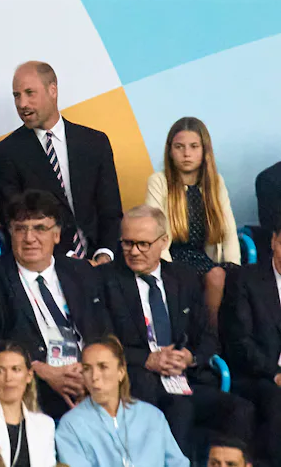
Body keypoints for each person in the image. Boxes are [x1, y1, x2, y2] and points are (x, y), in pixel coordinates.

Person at [101, 205, 254, 456]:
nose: (134, 251)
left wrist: (190, 357)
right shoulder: (105, 280)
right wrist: (148, 359)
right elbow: (103, 343)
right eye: (127, 243)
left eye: (143, 244)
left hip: (187, 378)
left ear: (163, 242)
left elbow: (207, 337)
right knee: (179, 408)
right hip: (141, 382)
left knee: (240, 410)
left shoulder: (184, 277)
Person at [0, 190, 111, 419]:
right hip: (33, 379)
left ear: (56, 234)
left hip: (89, 375)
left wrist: (91, 372)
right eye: (21, 229)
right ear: (10, 233)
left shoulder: (81, 272)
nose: (29, 238)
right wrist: (39, 370)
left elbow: (104, 331)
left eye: (40, 228)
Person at [0, 62, 121, 263]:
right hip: (48, 264)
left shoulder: (95, 143)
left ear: (53, 90)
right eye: (17, 95)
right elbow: (18, 222)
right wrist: (72, 263)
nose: (22, 103)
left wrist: (105, 254)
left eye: (30, 93)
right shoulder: (4, 154)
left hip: (102, 261)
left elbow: (110, 210)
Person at [145, 117, 240, 328]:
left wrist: (235, 268)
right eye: (179, 147)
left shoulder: (215, 182)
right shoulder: (159, 182)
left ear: (204, 150)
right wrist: (166, 269)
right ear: (170, 151)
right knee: (205, 278)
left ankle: (221, 340)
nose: (186, 154)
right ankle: (205, 337)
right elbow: (154, 231)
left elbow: (229, 231)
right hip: (171, 259)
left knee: (226, 277)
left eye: (193, 147)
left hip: (205, 258)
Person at [55, 336, 189, 467]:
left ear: (121, 371)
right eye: (87, 369)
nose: (94, 377)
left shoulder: (153, 417)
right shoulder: (71, 425)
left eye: (103, 367)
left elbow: (178, 463)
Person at [220, 214, 281, 466]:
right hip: (259, 375)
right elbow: (239, 341)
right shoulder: (246, 279)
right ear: (275, 241)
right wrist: (275, 373)